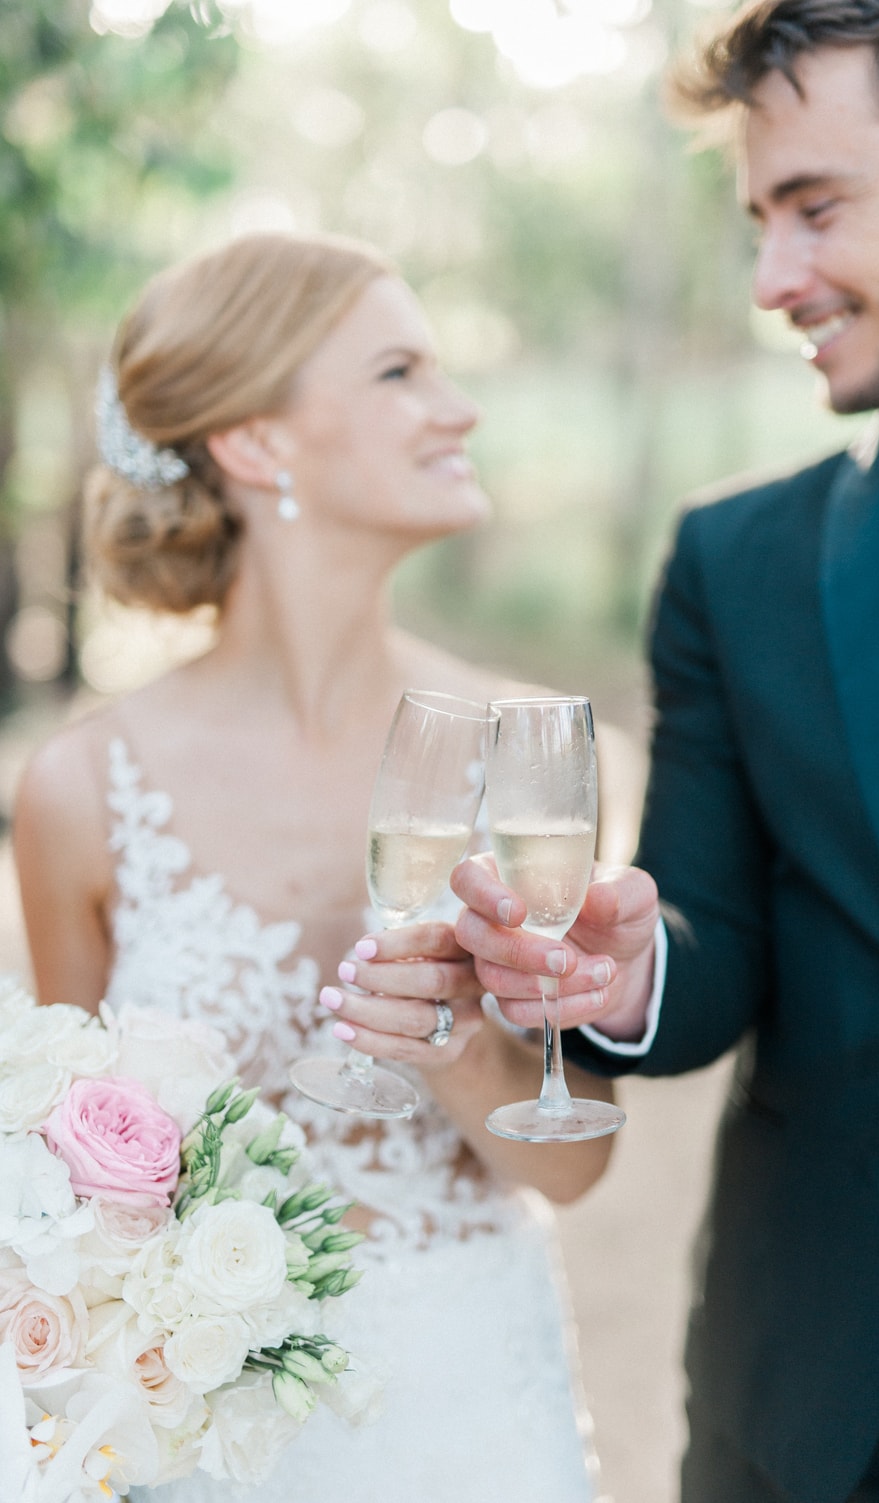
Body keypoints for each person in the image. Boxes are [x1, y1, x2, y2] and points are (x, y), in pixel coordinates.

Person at [448, 3, 879, 1500]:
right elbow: (713, 943)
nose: (775, 279)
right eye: (761, 221)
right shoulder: (732, 562)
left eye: (819, 208)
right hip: (817, 1402)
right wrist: (627, 971)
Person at [11, 229, 623, 1503]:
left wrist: (456, 1044)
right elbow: (61, 1191)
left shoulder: (529, 754)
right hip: (222, 1445)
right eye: (400, 372)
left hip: (478, 1408)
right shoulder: (82, 789)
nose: (458, 409)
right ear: (257, 443)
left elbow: (569, 1161)